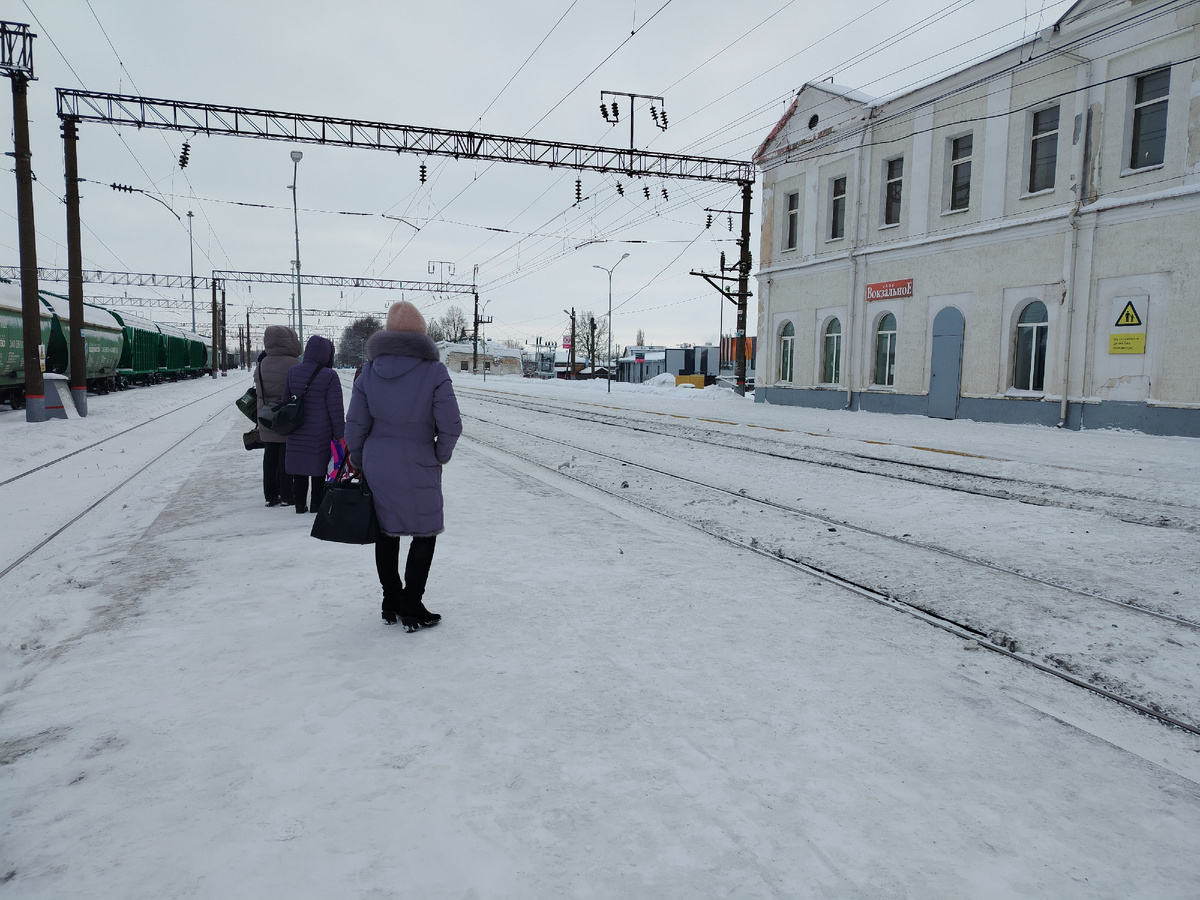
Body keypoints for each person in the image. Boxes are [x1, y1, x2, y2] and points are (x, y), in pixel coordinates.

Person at [345, 301, 462, 631]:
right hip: (419, 460)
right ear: (422, 333)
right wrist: (439, 454)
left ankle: (390, 600)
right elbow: (451, 425)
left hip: (378, 463)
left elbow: (354, 425)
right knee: (424, 534)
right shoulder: (435, 372)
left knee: (386, 532)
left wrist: (357, 457)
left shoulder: (369, 372)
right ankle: (412, 604)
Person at [283, 334, 345, 514]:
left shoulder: (293, 371)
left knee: (299, 467)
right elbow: (335, 409)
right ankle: (317, 504)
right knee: (319, 467)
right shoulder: (330, 375)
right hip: (321, 431)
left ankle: (300, 505)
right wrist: (340, 433)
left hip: (297, 427)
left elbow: (285, 401)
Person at [255, 325, 301, 507]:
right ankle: (287, 494)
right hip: (287, 416)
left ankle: (270, 495)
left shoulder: (261, 364)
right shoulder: (295, 365)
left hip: (266, 416)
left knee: (269, 455)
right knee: (285, 455)